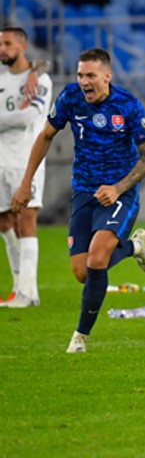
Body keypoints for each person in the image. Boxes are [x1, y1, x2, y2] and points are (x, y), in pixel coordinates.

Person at [10, 48, 145, 352]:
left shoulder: (128, 105)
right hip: (84, 191)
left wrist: (118, 188)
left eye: (90, 75)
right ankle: (134, 247)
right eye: (80, 75)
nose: (84, 81)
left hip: (120, 193)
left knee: (97, 258)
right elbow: (46, 135)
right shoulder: (71, 97)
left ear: (107, 76)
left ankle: (80, 336)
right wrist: (26, 183)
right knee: (82, 273)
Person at [0, 27, 51, 307]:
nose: (2, 49)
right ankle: (19, 286)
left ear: (22, 45)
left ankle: (29, 294)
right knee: (4, 223)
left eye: (7, 44)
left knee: (26, 219)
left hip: (26, 160)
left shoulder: (39, 78)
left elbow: (28, 117)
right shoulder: (2, 78)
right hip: (1, 160)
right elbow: (16, 116)